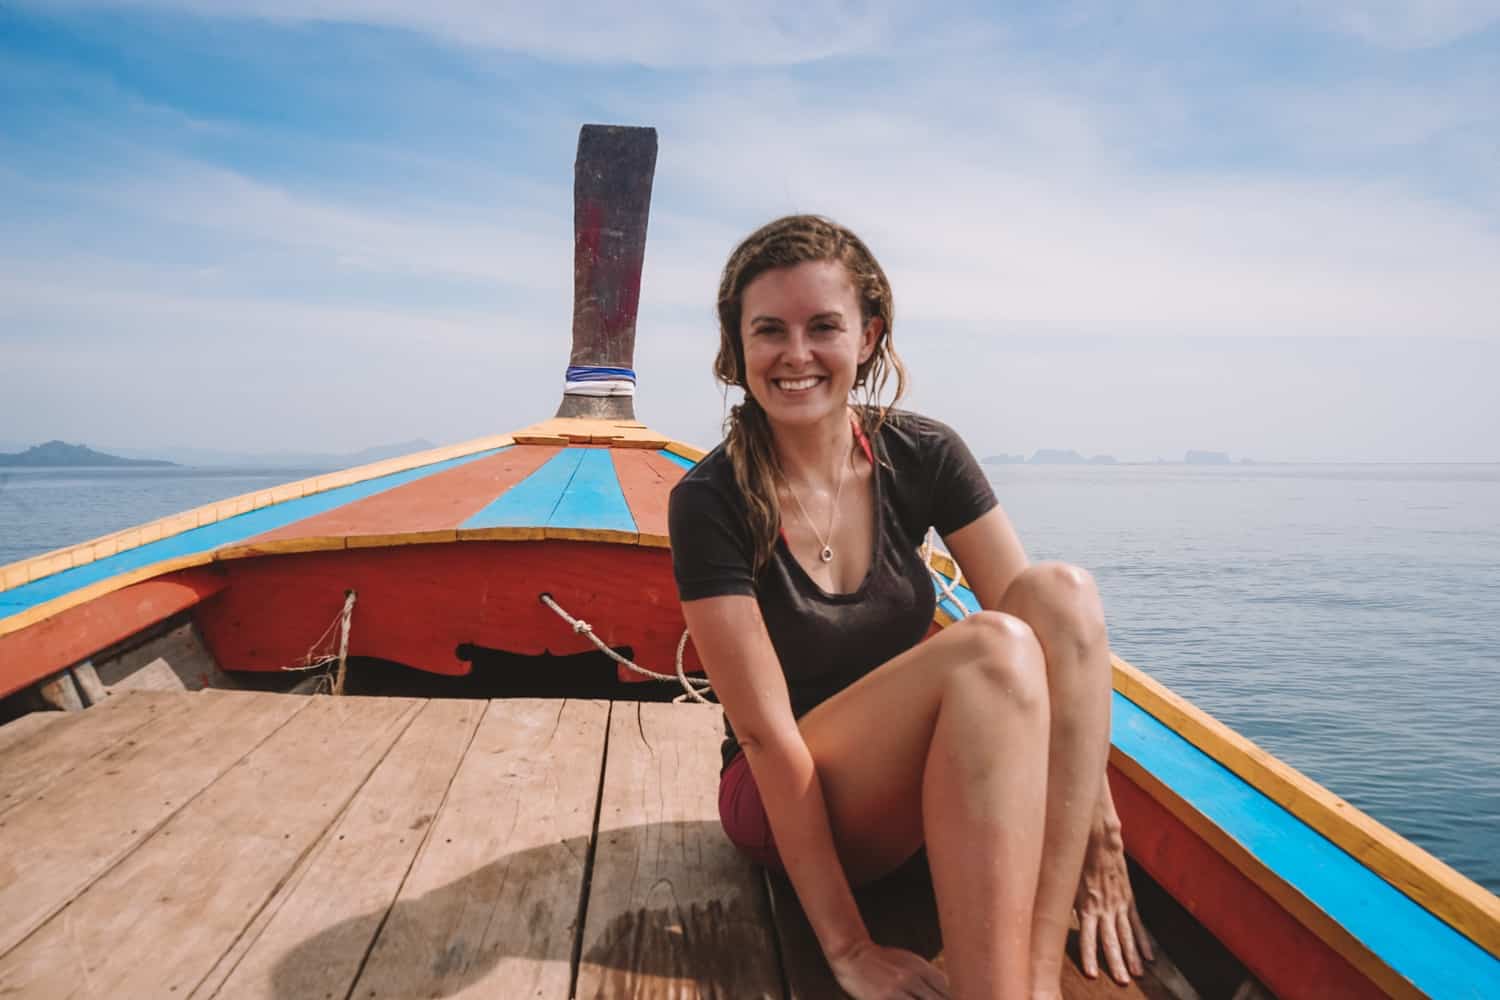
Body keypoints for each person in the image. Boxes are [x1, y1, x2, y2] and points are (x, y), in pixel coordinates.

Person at [667, 215, 1151, 1000]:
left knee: (1061, 596)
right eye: (769, 331)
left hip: (917, 795)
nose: (796, 354)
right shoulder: (710, 500)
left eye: (823, 326)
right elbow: (761, 731)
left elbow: (1056, 646)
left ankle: (1028, 978)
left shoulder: (923, 454)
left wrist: (1101, 839)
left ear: (868, 337)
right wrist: (850, 949)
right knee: (992, 649)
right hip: (783, 803)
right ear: (738, 347)